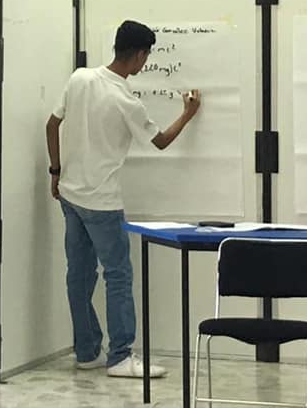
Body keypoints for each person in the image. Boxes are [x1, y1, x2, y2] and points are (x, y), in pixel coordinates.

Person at [46, 20, 201, 378]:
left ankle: (87, 352)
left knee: (78, 275)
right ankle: (119, 357)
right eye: (147, 56)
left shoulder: (80, 78)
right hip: (102, 202)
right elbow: (160, 141)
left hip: (70, 195)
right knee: (117, 276)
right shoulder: (126, 101)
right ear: (140, 55)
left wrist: (55, 171)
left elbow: (52, 124)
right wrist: (188, 114)